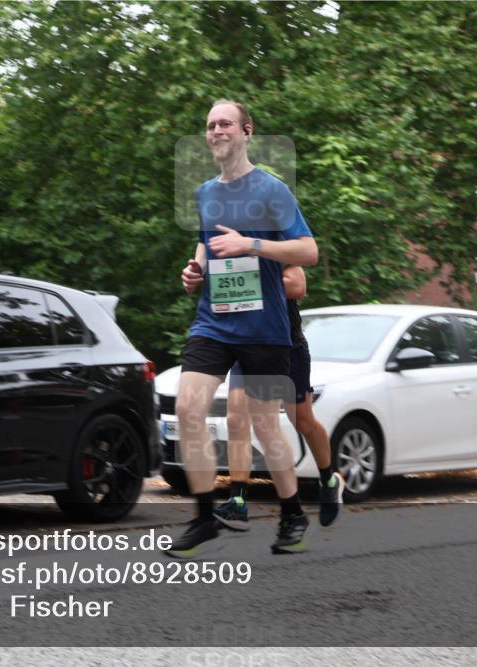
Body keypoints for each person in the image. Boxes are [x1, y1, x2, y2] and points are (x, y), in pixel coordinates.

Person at [166, 99, 318, 558]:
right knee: (189, 408)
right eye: (210, 126)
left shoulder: (271, 190)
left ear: (247, 131)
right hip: (214, 321)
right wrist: (194, 269)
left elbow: (308, 252)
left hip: (265, 328)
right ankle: (202, 518)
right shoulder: (204, 192)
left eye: (225, 123)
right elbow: (205, 240)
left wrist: (250, 243)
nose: (216, 131)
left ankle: (292, 513)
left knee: (264, 428)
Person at [213, 265, 343, 532]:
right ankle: (237, 500)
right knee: (237, 419)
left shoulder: (273, 242)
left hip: (287, 346)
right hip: (246, 345)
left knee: (303, 421)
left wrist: (249, 279)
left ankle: (329, 480)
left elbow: (297, 287)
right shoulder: (227, 249)